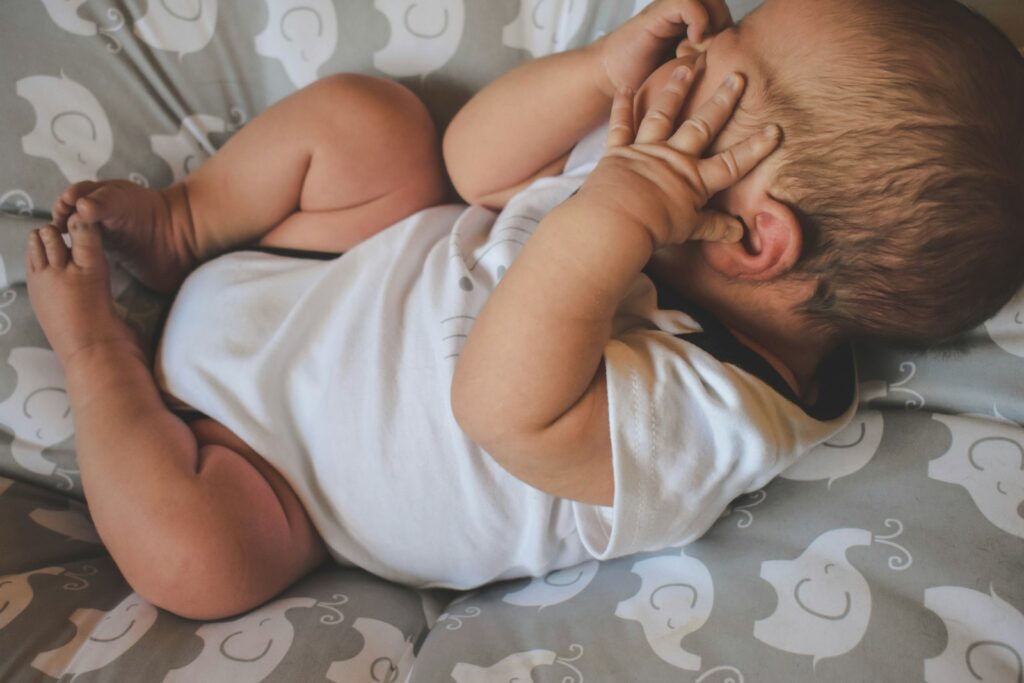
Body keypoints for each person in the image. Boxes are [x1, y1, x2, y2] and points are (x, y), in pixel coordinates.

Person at [24, 0, 1023, 620]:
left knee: (197, 562)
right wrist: (599, 75)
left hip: (268, 472)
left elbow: (498, 405)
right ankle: (187, 220)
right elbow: (472, 167)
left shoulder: (712, 418)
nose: (706, 42)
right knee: (373, 122)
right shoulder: (669, 184)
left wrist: (615, 214)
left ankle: (95, 352)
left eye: (734, 64)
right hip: (319, 269)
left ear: (758, 237)